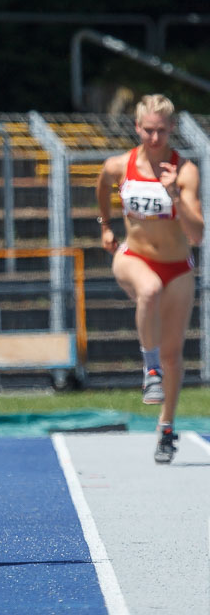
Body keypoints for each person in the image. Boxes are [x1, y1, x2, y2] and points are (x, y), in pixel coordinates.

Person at [96, 94, 204, 464]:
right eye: (148, 130)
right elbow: (102, 184)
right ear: (137, 127)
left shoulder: (184, 171)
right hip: (134, 257)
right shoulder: (120, 165)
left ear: (172, 128)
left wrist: (175, 194)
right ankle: (150, 368)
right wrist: (105, 225)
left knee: (174, 353)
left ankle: (166, 426)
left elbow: (197, 235)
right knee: (149, 289)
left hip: (177, 268)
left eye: (161, 131)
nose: (155, 138)